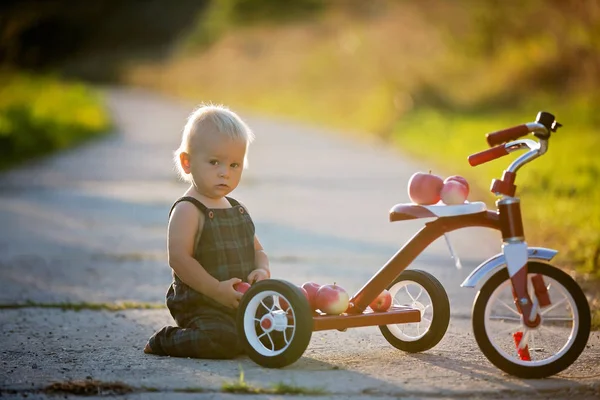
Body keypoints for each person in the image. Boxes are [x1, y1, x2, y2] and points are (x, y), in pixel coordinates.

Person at [144, 104, 271, 359]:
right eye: (214, 162)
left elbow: (258, 250)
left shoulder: (237, 209)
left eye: (234, 165)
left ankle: (242, 332)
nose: (225, 172)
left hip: (239, 300)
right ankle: (166, 340)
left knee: (276, 329)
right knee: (221, 341)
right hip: (202, 303)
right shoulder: (189, 210)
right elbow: (179, 259)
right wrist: (215, 290)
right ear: (187, 162)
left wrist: (262, 270)